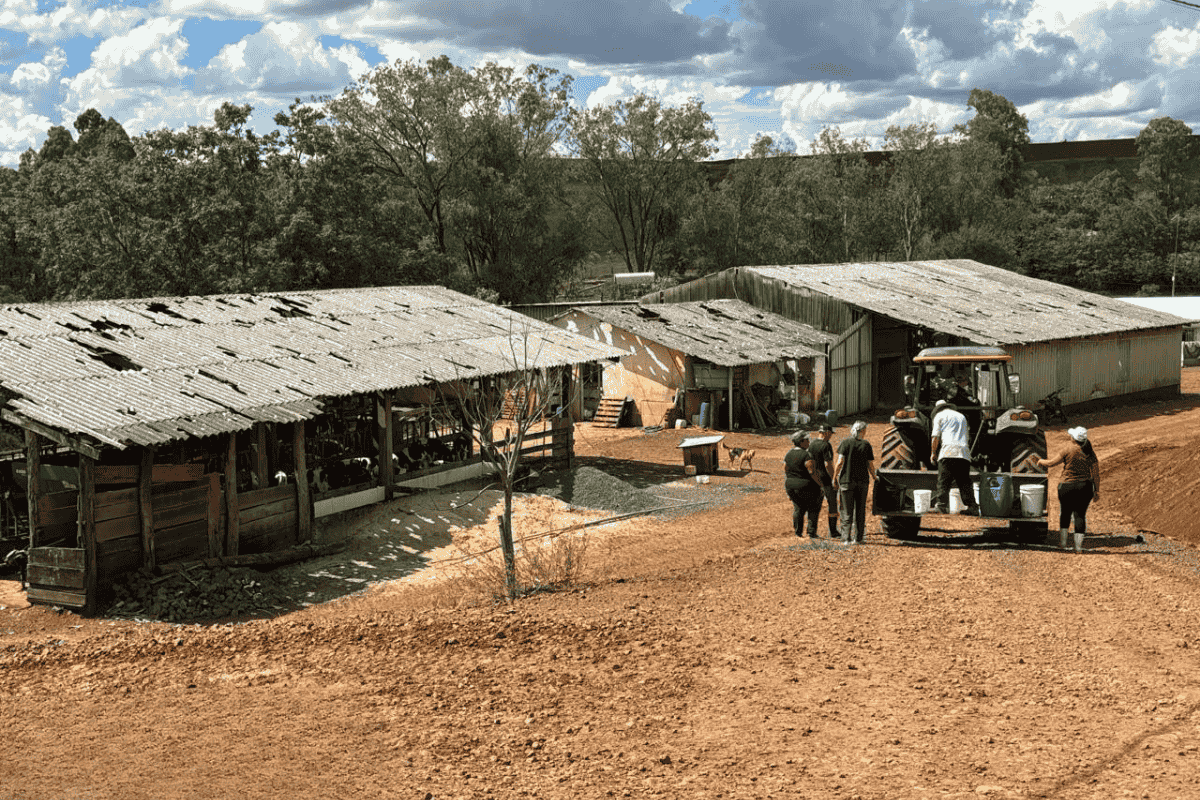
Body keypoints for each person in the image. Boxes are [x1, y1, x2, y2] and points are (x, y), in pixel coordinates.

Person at [1037, 427, 1100, 552]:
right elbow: (1096, 474)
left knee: (1065, 513)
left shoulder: (1067, 449)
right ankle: (1078, 548)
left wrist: (1040, 461)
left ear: (1073, 438)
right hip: (1085, 487)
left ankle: (1063, 543)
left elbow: (1051, 463)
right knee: (1080, 515)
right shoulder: (1090, 452)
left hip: (1067, 487)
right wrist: (1096, 491)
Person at [930, 399, 981, 516]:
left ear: (938, 409)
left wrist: (933, 453)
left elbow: (935, 437)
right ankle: (972, 506)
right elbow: (967, 437)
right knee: (964, 482)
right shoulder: (961, 416)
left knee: (943, 480)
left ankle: (941, 506)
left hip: (948, 452)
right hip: (963, 453)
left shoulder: (939, 416)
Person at [833, 420, 875, 544]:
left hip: (846, 481)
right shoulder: (866, 445)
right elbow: (870, 465)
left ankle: (846, 539)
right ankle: (859, 538)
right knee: (860, 510)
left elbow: (840, 462)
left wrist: (834, 477)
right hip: (862, 482)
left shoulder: (845, 443)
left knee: (846, 511)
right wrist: (874, 477)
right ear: (862, 431)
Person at [783, 430, 824, 538]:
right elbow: (812, 471)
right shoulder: (807, 455)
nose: (809, 442)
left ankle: (798, 532)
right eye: (807, 440)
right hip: (806, 486)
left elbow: (786, 469)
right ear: (801, 442)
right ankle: (811, 532)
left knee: (798, 508)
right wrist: (821, 485)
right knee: (813, 507)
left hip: (791, 485)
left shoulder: (789, 454)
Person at [806, 423, 838, 538]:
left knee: (814, 506)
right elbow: (828, 463)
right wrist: (834, 477)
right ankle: (833, 531)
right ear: (826, 433)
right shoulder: (826, 445)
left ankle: (811, 531)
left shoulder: (811, 444)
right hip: (825, 479)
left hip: (814, 479)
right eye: (830, 434)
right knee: (832, 504)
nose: (831, 437)